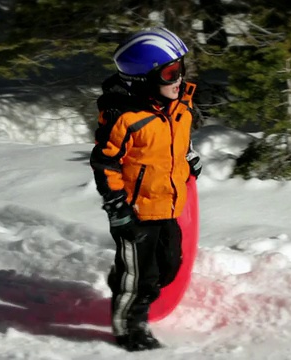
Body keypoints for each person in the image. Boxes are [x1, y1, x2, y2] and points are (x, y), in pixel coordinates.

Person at [89, 27, 202, 351]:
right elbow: (105, 163)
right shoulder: (126, 119)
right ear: (144, 79)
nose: (179, 78)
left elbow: (177, 144)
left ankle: (126, 279)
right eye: (170, 73)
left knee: (169, 265)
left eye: (180, 68)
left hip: (169, 205)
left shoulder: (179, 108)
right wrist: (117, 207)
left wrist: (189, 159)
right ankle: (129, 328)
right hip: (135, 211)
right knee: (140, 278)